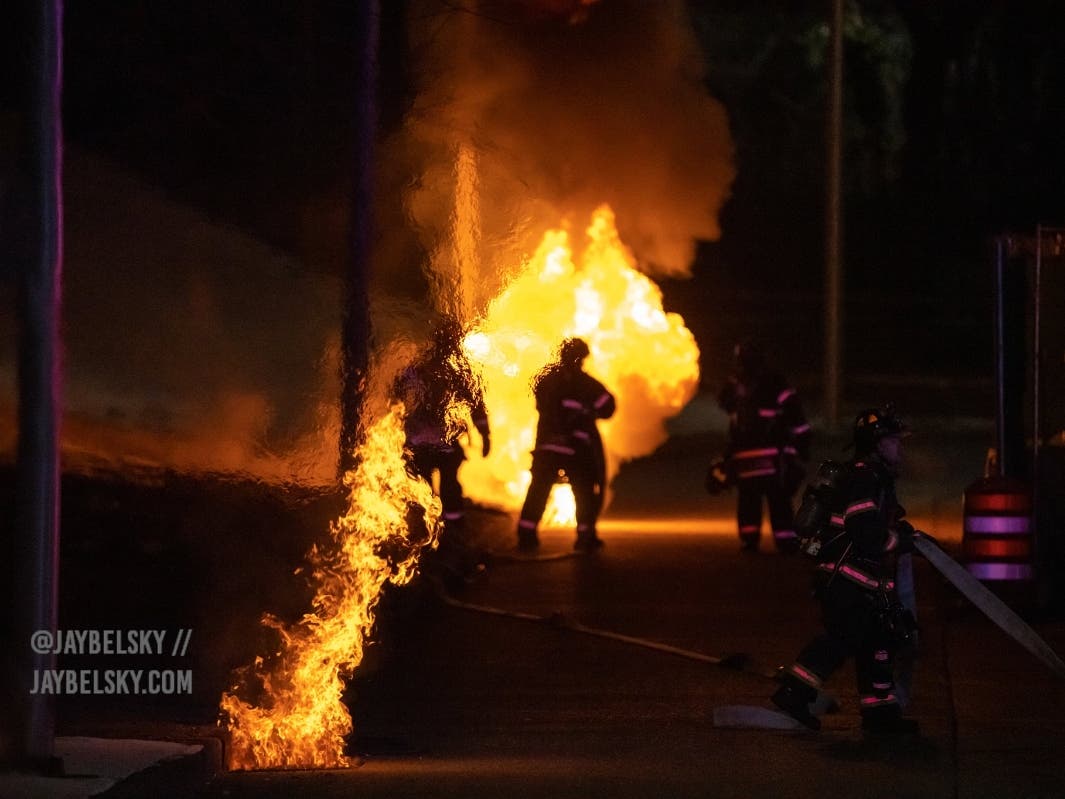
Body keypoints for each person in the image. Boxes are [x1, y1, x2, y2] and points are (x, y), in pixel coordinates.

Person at [770, 405, 920, 734]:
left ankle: (881, 715)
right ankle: (794, 693)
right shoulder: (867, 478)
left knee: (877, 642)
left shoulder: (871, 477)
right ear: (878, 444)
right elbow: (864, 528)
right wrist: (898, 540)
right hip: (847, 581)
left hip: (859, 583)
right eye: (895, 442)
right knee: (841, 641)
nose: (900, 448)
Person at [393, 320, 491, 579]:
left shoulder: (418, 369)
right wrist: (485, 435)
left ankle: (426, 541)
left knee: (426, 492)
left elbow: (396, 399)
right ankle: (444, 539)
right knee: (444, 492)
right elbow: (477, 407)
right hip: (439, 446)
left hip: (421, 445)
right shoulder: (456, 371)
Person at [516, 337, 616, 552]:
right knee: (584, 492)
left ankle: (526, 537)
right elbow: (608, 407)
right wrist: (589, 411)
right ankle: (585, 538)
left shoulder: (546, 381)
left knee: (538, 491)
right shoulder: (587, 384)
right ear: (582, 358)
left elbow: (540, 401)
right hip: (576, 449)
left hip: (547, 447)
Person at [717, 341, 812, 552]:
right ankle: (785, 540)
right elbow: (796, 415)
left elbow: (723, 403)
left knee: (748, 499)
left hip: (744, 458)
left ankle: (749, 540)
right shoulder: (776, 382)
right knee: (779, 499)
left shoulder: (735, 384)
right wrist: (803, 445)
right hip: (773, 457)